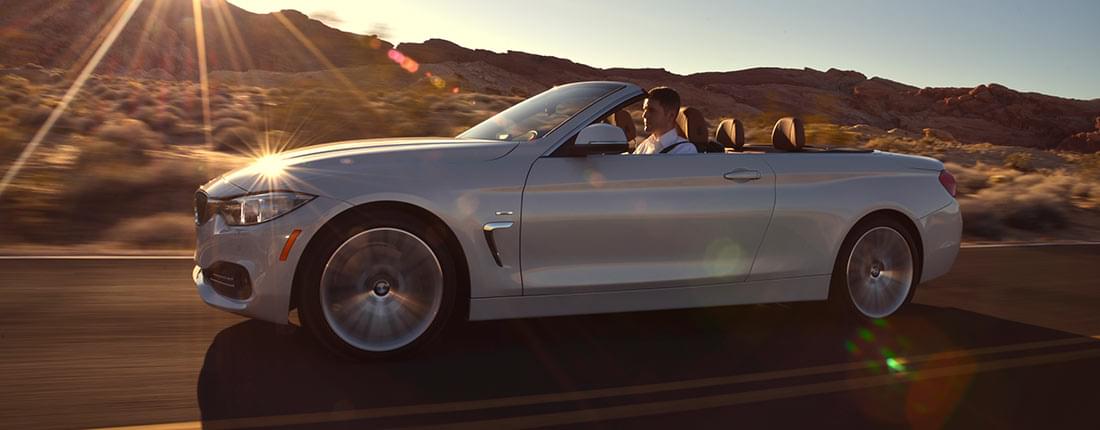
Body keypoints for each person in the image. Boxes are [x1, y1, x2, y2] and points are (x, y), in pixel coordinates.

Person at [632, 87, 697, 155]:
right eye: (644, 109)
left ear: (670, 116)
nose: (644, 115)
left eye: (652, 110)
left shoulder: (685, 150)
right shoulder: (645, 145)